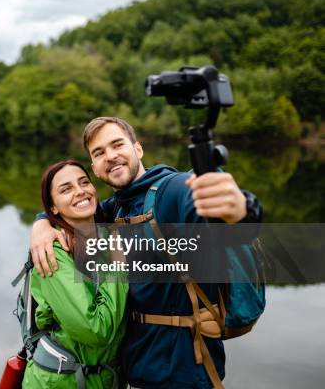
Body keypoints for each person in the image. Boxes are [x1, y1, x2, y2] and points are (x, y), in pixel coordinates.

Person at [30, 117, 264, 389]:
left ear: (137, 149)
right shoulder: (113, 209)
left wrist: (241, 209)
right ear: (94, 168)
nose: (111, 156)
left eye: (117, 144)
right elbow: (72, 207)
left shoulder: (171, 191)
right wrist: (42, 223)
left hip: (185, 375)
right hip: (135, 374)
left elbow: (208, 202)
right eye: (99, 152)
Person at [22, 160, 129, 389]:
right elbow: (96, 331)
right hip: (60, 382)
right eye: (66, 189)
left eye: (83, 182)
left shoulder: (103, 235)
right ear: (53, 208)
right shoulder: (53, 253)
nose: (80, 191)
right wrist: (117, 262)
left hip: (105, 379)